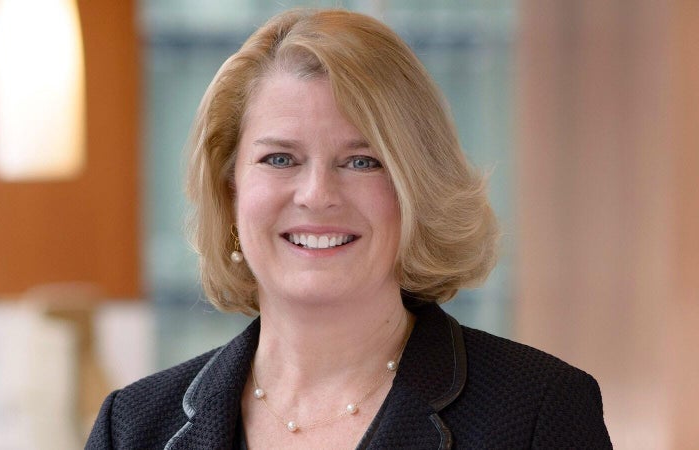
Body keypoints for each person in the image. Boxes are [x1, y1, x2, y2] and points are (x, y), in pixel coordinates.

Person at [86, 8, 612, 449]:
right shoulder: (131, 429)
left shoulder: (538, 413)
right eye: (279, 159)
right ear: (230, 190)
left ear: (417, 188)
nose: (317, 194)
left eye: (363, 161)